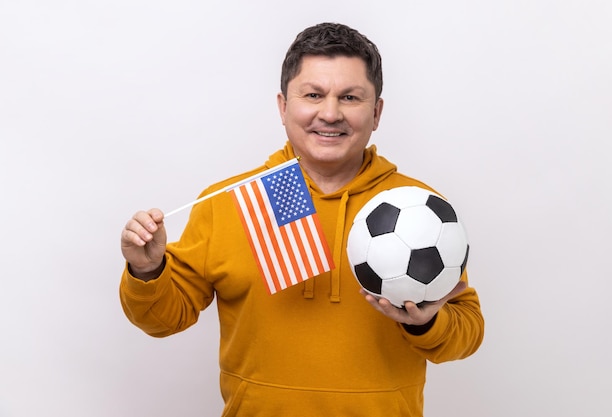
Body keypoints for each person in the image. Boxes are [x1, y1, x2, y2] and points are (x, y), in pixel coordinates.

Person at [120, 22, 484, 417]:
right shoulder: (228, 202)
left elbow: (466, 333)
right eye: (313, 95)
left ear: (376, 112)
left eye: (350, 97)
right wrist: (147, 269)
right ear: (283, 106)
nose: (330, 113)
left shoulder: (420, 208)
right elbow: (163, 320)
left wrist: (424, 324)